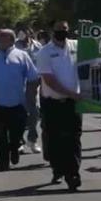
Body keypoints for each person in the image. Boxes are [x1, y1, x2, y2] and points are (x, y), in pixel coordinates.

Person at [0, 29, 39, 171]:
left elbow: (33, 78)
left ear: (12, 40)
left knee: (16, 133)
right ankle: (3, 162)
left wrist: (30, 98)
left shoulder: (22, 56)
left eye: (2, 38)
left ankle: (14, 148)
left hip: (18, 103)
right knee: (0, 134)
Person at [37, 20, 83, 190]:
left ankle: (73, 174)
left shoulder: (77, 46)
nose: (61, 33)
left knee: (74, 138)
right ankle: (58, 168)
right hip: (53, 103)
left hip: (73, 103)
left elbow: (97, 47)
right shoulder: (45, 52)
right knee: (55, 139)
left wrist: (89, 29)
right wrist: (70, 93)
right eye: (58, 30)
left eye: (64, 29)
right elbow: (49, 80)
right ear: (51, 31)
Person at [17, 29, 44, 154]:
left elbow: (42, 64)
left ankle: (32, 140)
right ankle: (18, 141)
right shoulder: (15, 46)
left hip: (34, 84)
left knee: (35, 113)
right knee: (19, 113)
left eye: (24, 31)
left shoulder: (38, 46)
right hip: (18, 83)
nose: (22, 34)